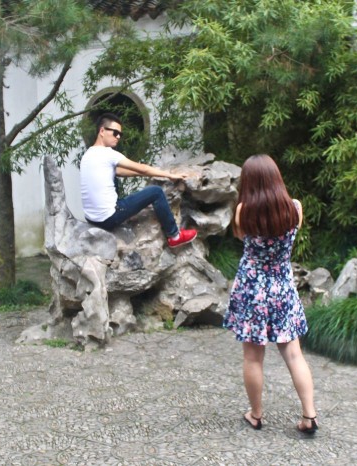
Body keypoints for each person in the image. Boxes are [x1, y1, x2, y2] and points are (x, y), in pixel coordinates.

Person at [223, 154, 319, 435]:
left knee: (253, 357)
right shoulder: (295, 209)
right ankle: (309, 416)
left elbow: (242, 238)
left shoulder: (242, 211)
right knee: (294, 354)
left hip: (252, 288)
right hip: (282, 287)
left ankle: (256, 414)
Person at [80, 113, 196, 248]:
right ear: (102, 131)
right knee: (156, 192)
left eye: (120, 135)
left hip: (92, 219)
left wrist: (145, 174)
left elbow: (118, 172)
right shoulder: (108, 154)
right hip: (108, 218)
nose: (118, 137)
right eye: (115, 133)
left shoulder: (88, 154)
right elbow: (142, 168)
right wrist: (167, 174)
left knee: (114, 178)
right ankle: (175, 236)